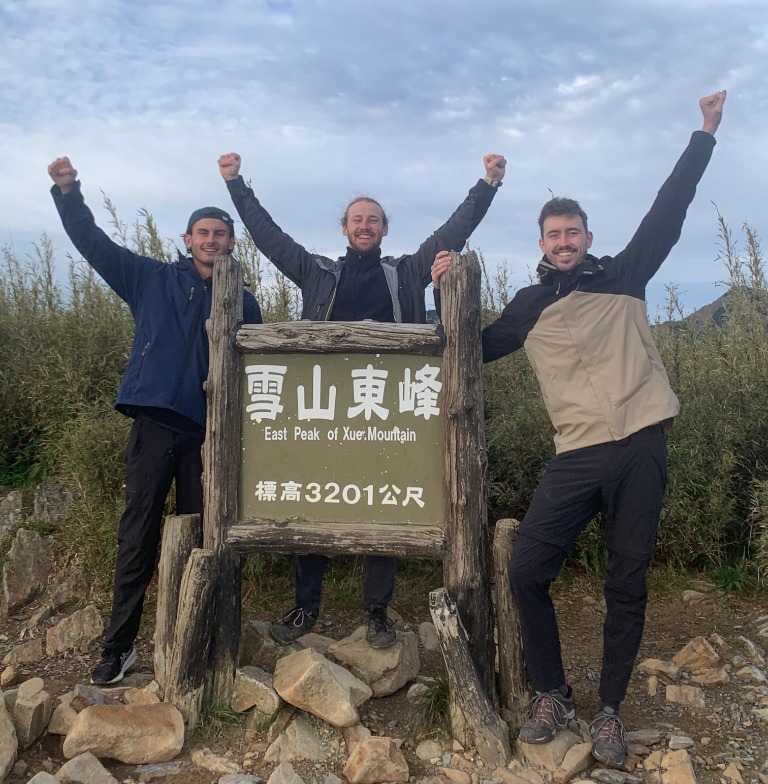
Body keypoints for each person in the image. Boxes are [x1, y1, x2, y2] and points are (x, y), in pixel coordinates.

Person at [431, 90, 726, 767]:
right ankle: (553, 692)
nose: (564, 242)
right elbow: (468, 347)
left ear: (587, 237)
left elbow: (669, 208)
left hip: (642, 445)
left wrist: (704, 133)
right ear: (541, 244)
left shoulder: (626, 275)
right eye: (554, 235)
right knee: (527, 569)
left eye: (573, 232)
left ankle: (611, 709)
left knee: (627, 581)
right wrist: (443, 287)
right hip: (577, 454)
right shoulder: (528, 306)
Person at [218, 149, 507, 647]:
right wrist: (236, 184)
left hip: (386, 415)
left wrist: (488, 184)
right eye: (357, 219)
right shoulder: (317, 272)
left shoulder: (406, 272)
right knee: (311, 502)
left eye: (373, 219)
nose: (365, 225)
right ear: (345, 229)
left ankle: (377, 612)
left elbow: (453, 231)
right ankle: (305, 607)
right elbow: (270, 238)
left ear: (385, 229)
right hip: (321, 413)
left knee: (385, 505)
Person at [48, 156, 263, 686]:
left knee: (201, 541)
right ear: (187, 240)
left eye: (220, 234)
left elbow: (256, 374)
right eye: (203, 233)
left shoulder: (246, 303)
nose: (211, 240)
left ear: (232, 243)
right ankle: (118, 648)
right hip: (152, 426)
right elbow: (93, 244)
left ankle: (197, 642)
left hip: (208, 436)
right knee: (137, 536)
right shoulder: (150, 279)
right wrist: (69, 193)